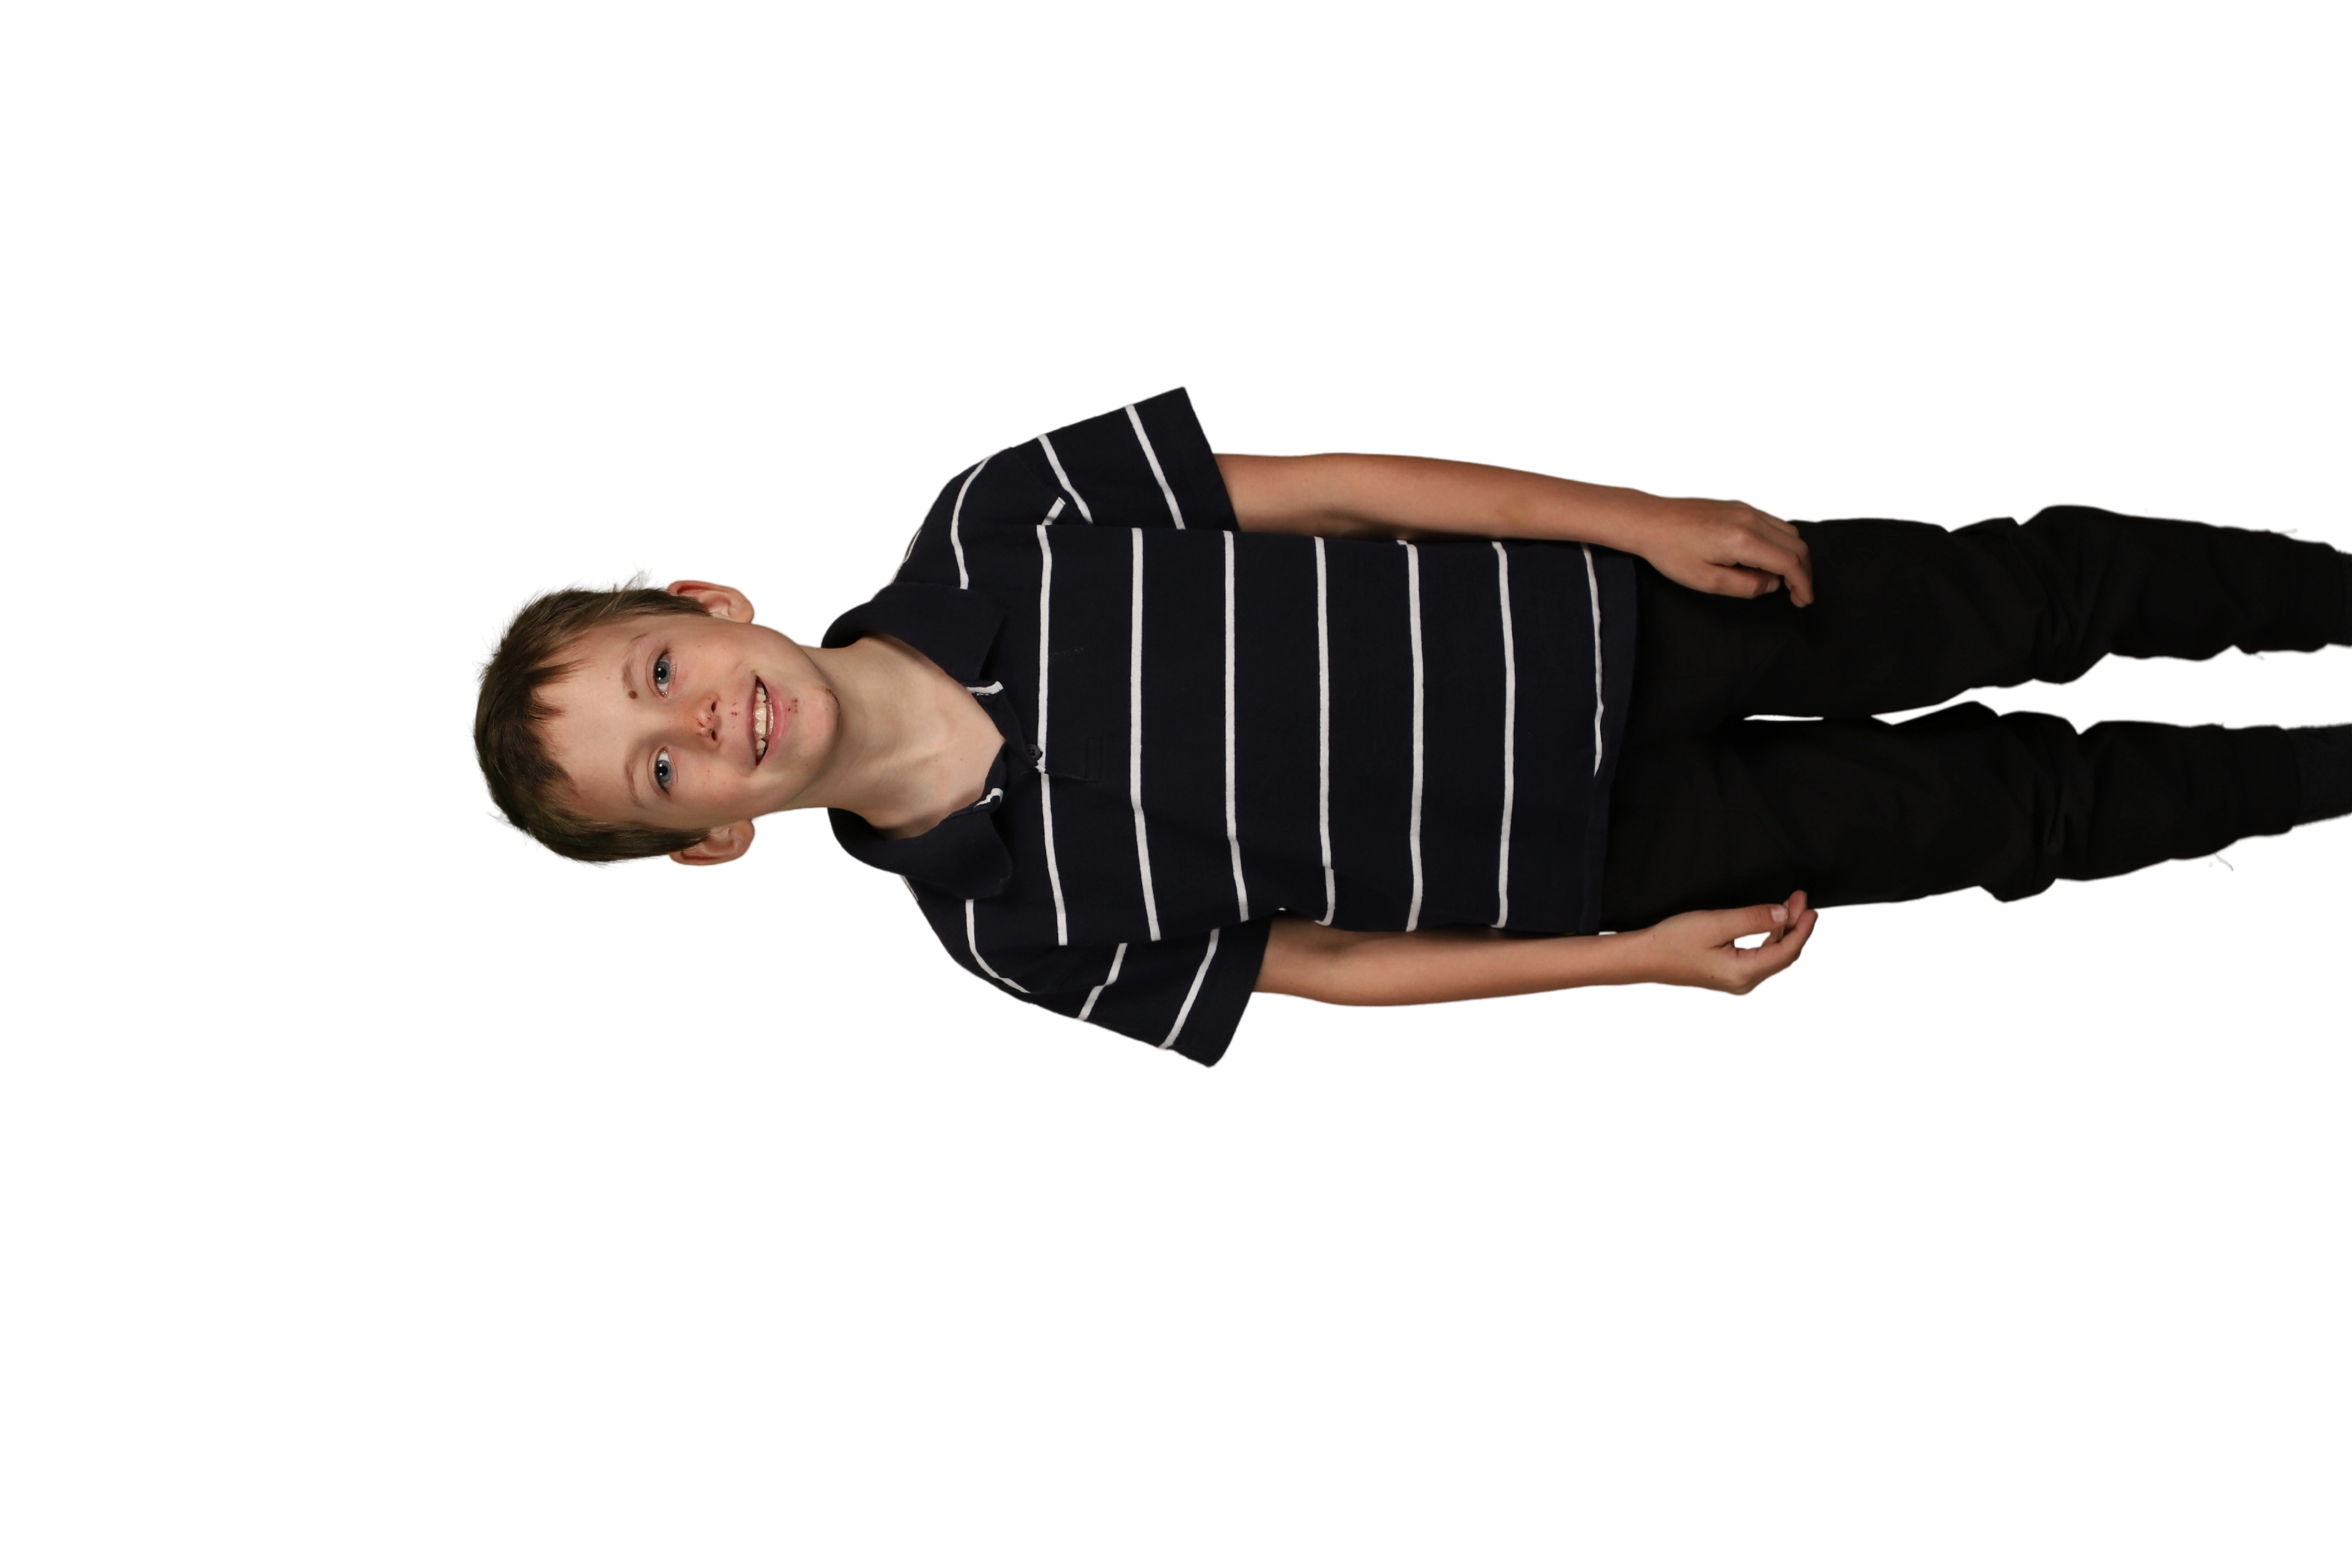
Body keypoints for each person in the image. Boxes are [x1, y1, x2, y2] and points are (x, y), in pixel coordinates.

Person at [462, 383, 2352, 1070]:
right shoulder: (1008, 934)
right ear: (712, 838)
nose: (703, 721)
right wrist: (1638, 962)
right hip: (1612, 864)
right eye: (663, 768)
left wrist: (1635, 517)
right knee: (2024, 814)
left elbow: (1344, 489)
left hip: (1630, 620)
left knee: (2036, 595)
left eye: (658, 671)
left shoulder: (1001, 517)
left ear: (705, 600)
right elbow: (1342, 970)